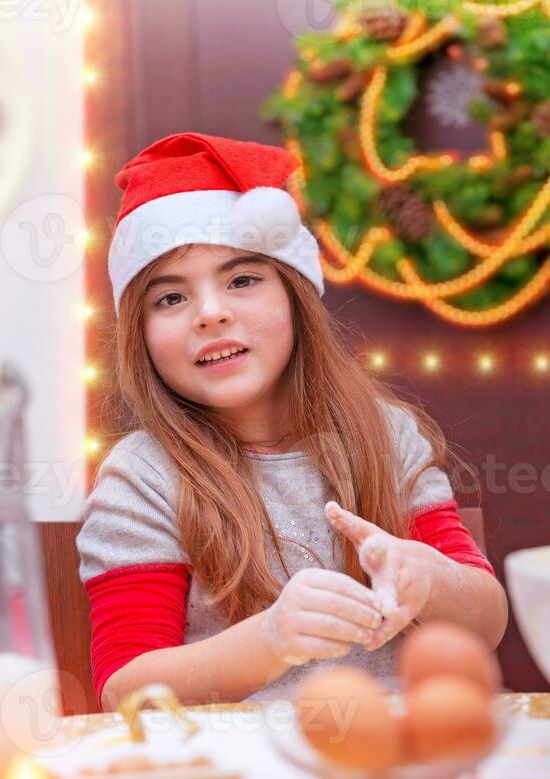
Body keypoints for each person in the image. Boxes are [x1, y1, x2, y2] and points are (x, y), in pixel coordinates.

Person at [76, 132, 508, 711]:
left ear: (295, 296)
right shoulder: (142, 477)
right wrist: (268, 641)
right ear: (141, 337)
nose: (211, 313)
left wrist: (428, 578)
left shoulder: (383, 435)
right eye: (170, 299)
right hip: (233, 777)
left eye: (243, 280)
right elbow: (125, 690)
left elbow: (486, 623)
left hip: (398, 759)